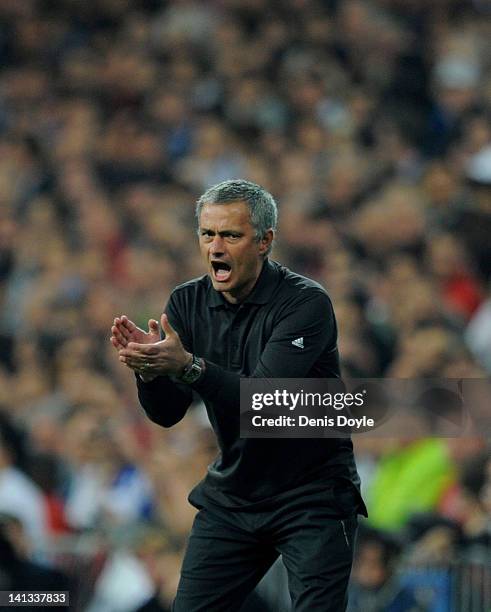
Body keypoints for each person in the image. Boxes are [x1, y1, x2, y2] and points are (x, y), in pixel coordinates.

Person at [110, 179, 367, 611]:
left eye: (231, 235)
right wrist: (149, 370)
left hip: (311, 494)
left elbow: (264, 401)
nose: (216, 247)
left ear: (265, 241)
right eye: (208, 234)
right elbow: (169, 414)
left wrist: (189, 366)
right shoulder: (187, 302)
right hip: (235, 494)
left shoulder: (305, 304)